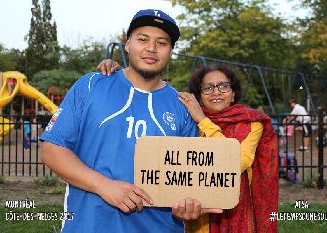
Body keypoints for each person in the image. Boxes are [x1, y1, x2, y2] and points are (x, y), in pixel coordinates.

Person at [40, 9, 221, 233]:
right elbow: (51, 150)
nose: (151, 48)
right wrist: (104, 186)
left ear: (171, 51)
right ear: (128, 44)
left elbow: (187, 183)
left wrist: (188, 206)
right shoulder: (91, 85)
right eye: (143, 39)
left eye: (161, 42)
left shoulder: (183, 107)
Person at [98, 62, 278, 233]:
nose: (216, 92)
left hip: (237, 210)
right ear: (199, 95)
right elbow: (147, 99)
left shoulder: (251, 123)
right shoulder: (187, 118)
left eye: (223, 86)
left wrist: (203, 121)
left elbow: (234, 163)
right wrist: (123, 74)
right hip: (195, 213)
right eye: (208, 88)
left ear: (233, 94)